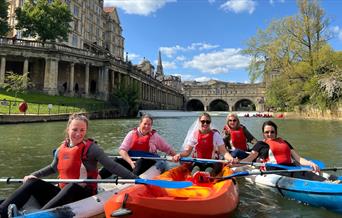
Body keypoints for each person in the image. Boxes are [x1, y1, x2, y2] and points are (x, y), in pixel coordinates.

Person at [0, 114, 137, 218]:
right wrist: (34, 175)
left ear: (86, 130)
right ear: (68, 129)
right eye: (75, 129)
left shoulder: (92, 149)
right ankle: (2, 210)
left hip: (84, 194)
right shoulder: (61, 148)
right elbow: (53, 168)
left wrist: (134, 178)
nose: (78, 133)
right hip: (62, 192)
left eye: (82, 130)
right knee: (32, 182)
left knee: (72, 185)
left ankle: (39, 215)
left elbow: (112, 166)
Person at [240, 120, 327, 181]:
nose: (269, 134)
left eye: (272, 132)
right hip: (275, 171)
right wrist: (235, 163)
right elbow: (249, 159)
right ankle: (325, 183)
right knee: (300, 174)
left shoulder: (284, 142)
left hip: (291, 168)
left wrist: (310, 163)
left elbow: (299, 159)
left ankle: (329, 181)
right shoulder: (260, 145)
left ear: (276, 132)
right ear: (263, 133)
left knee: (305, 173)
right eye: (267, 132)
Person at [100, 114, 176, 177]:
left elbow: (167, 149)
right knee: (116, 161)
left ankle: (131, 182)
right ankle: (98, 178)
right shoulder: (131, 134)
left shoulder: (155, 137)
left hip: (147, 162)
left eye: (149, 125)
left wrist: (176, 156)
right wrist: (130, 162)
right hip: (132, 161)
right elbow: (122, 150)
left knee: (140, 162)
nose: (147, 126)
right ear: (140, 124)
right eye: (145, 124)